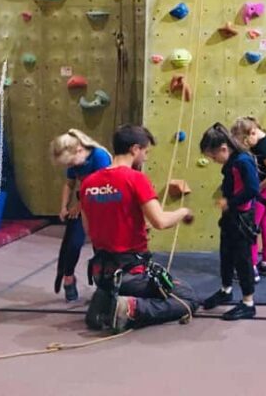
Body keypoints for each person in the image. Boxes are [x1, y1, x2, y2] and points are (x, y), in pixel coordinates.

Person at [80, 125, 198, 333]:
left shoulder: (88, 183)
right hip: (131, 274)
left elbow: (89, 228)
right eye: (146, 152)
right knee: (187, 297)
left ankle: (107, 298)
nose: (145, 158)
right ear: (135, 149)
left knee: (130, 281)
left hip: (102, 272)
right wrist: (183, 212)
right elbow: (161, 221)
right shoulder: (135, 178)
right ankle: (133, 308)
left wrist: (136, 227)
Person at [199, 122, 260, 320]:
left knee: (243, 260)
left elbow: (252, 189)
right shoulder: (231, 162)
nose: (214, 160)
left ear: (224, 148)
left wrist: (230, 203)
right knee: (226, 255)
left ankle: (248, 303)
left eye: (214, 156)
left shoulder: (243, 161)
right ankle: (226, 291)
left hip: (242, 218)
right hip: (231, 217)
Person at [50, 129, 112, 302]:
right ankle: (68, 277)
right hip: (83, 201)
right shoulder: (75, 163)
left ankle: (103, 286)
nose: (71, 166)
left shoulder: (99, 157)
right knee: (73, 244)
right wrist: (64, 207)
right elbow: (69, 184)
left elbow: (103, 186)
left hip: (102, 202)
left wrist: (80, 205)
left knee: (100, 248)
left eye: (70, 162)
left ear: (79, 150)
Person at [231, 116, 266, 282]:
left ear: (252, 133)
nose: (246, 146)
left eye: (245, 142)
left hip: (263, 192)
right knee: (265, 226)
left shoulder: (262, 147)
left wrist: (256, 189)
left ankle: (250, 267)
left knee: (250, 230)